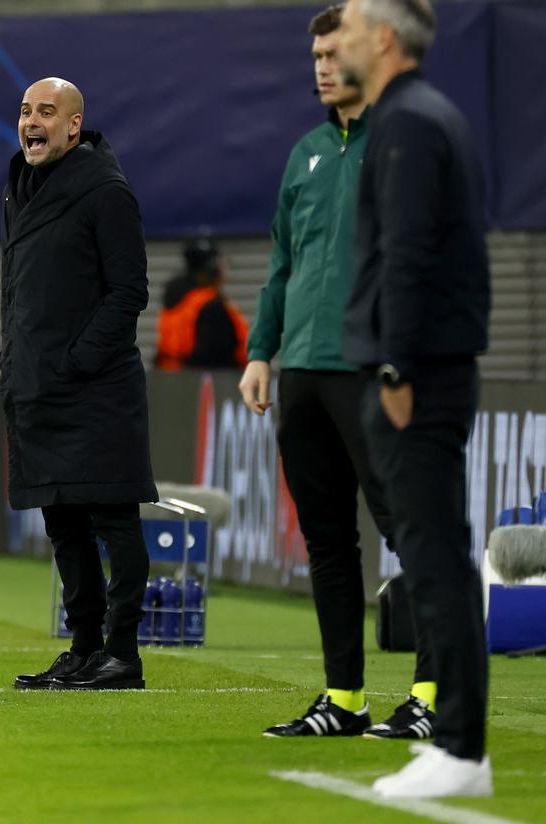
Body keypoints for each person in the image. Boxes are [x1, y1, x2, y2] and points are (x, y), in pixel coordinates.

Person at [239, 3, 436, 742]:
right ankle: (344, 699)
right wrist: (262, 351)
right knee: (327, 540)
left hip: (374, 370)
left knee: (410, 534)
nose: (322, 66)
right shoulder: (306, 153)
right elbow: (283, 264)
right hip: (306, 375)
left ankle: (431, 691)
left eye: (334, 53)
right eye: (314, 56)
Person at [338, 0, 492, 798]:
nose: (344, 43)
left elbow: (408, 252)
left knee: (435, 558)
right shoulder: (431, 115)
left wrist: (394, 371)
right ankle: (462, 744)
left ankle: (461, 748)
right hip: (431, 365)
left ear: (387, 39)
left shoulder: (406, 123)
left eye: (357, 27)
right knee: (438, 556)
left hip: (416, 374)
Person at [1, 77, 156, 692]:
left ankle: (123, 652)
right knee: (63, 523)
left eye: (46, 112)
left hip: (95, 388)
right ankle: (85, 646)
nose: (31, 122)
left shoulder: (106, 190)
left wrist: (76, 362)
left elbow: (129, 291)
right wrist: (19, 367)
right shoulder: (18, 186)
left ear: (74, 125)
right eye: (24, 111)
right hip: (35, 387)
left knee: (115, 520)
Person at [154, 236, 248, 370]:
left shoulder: (176, 301)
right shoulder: (210, 306)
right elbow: (217, 357)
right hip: (205, 384)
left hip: (172, 380)